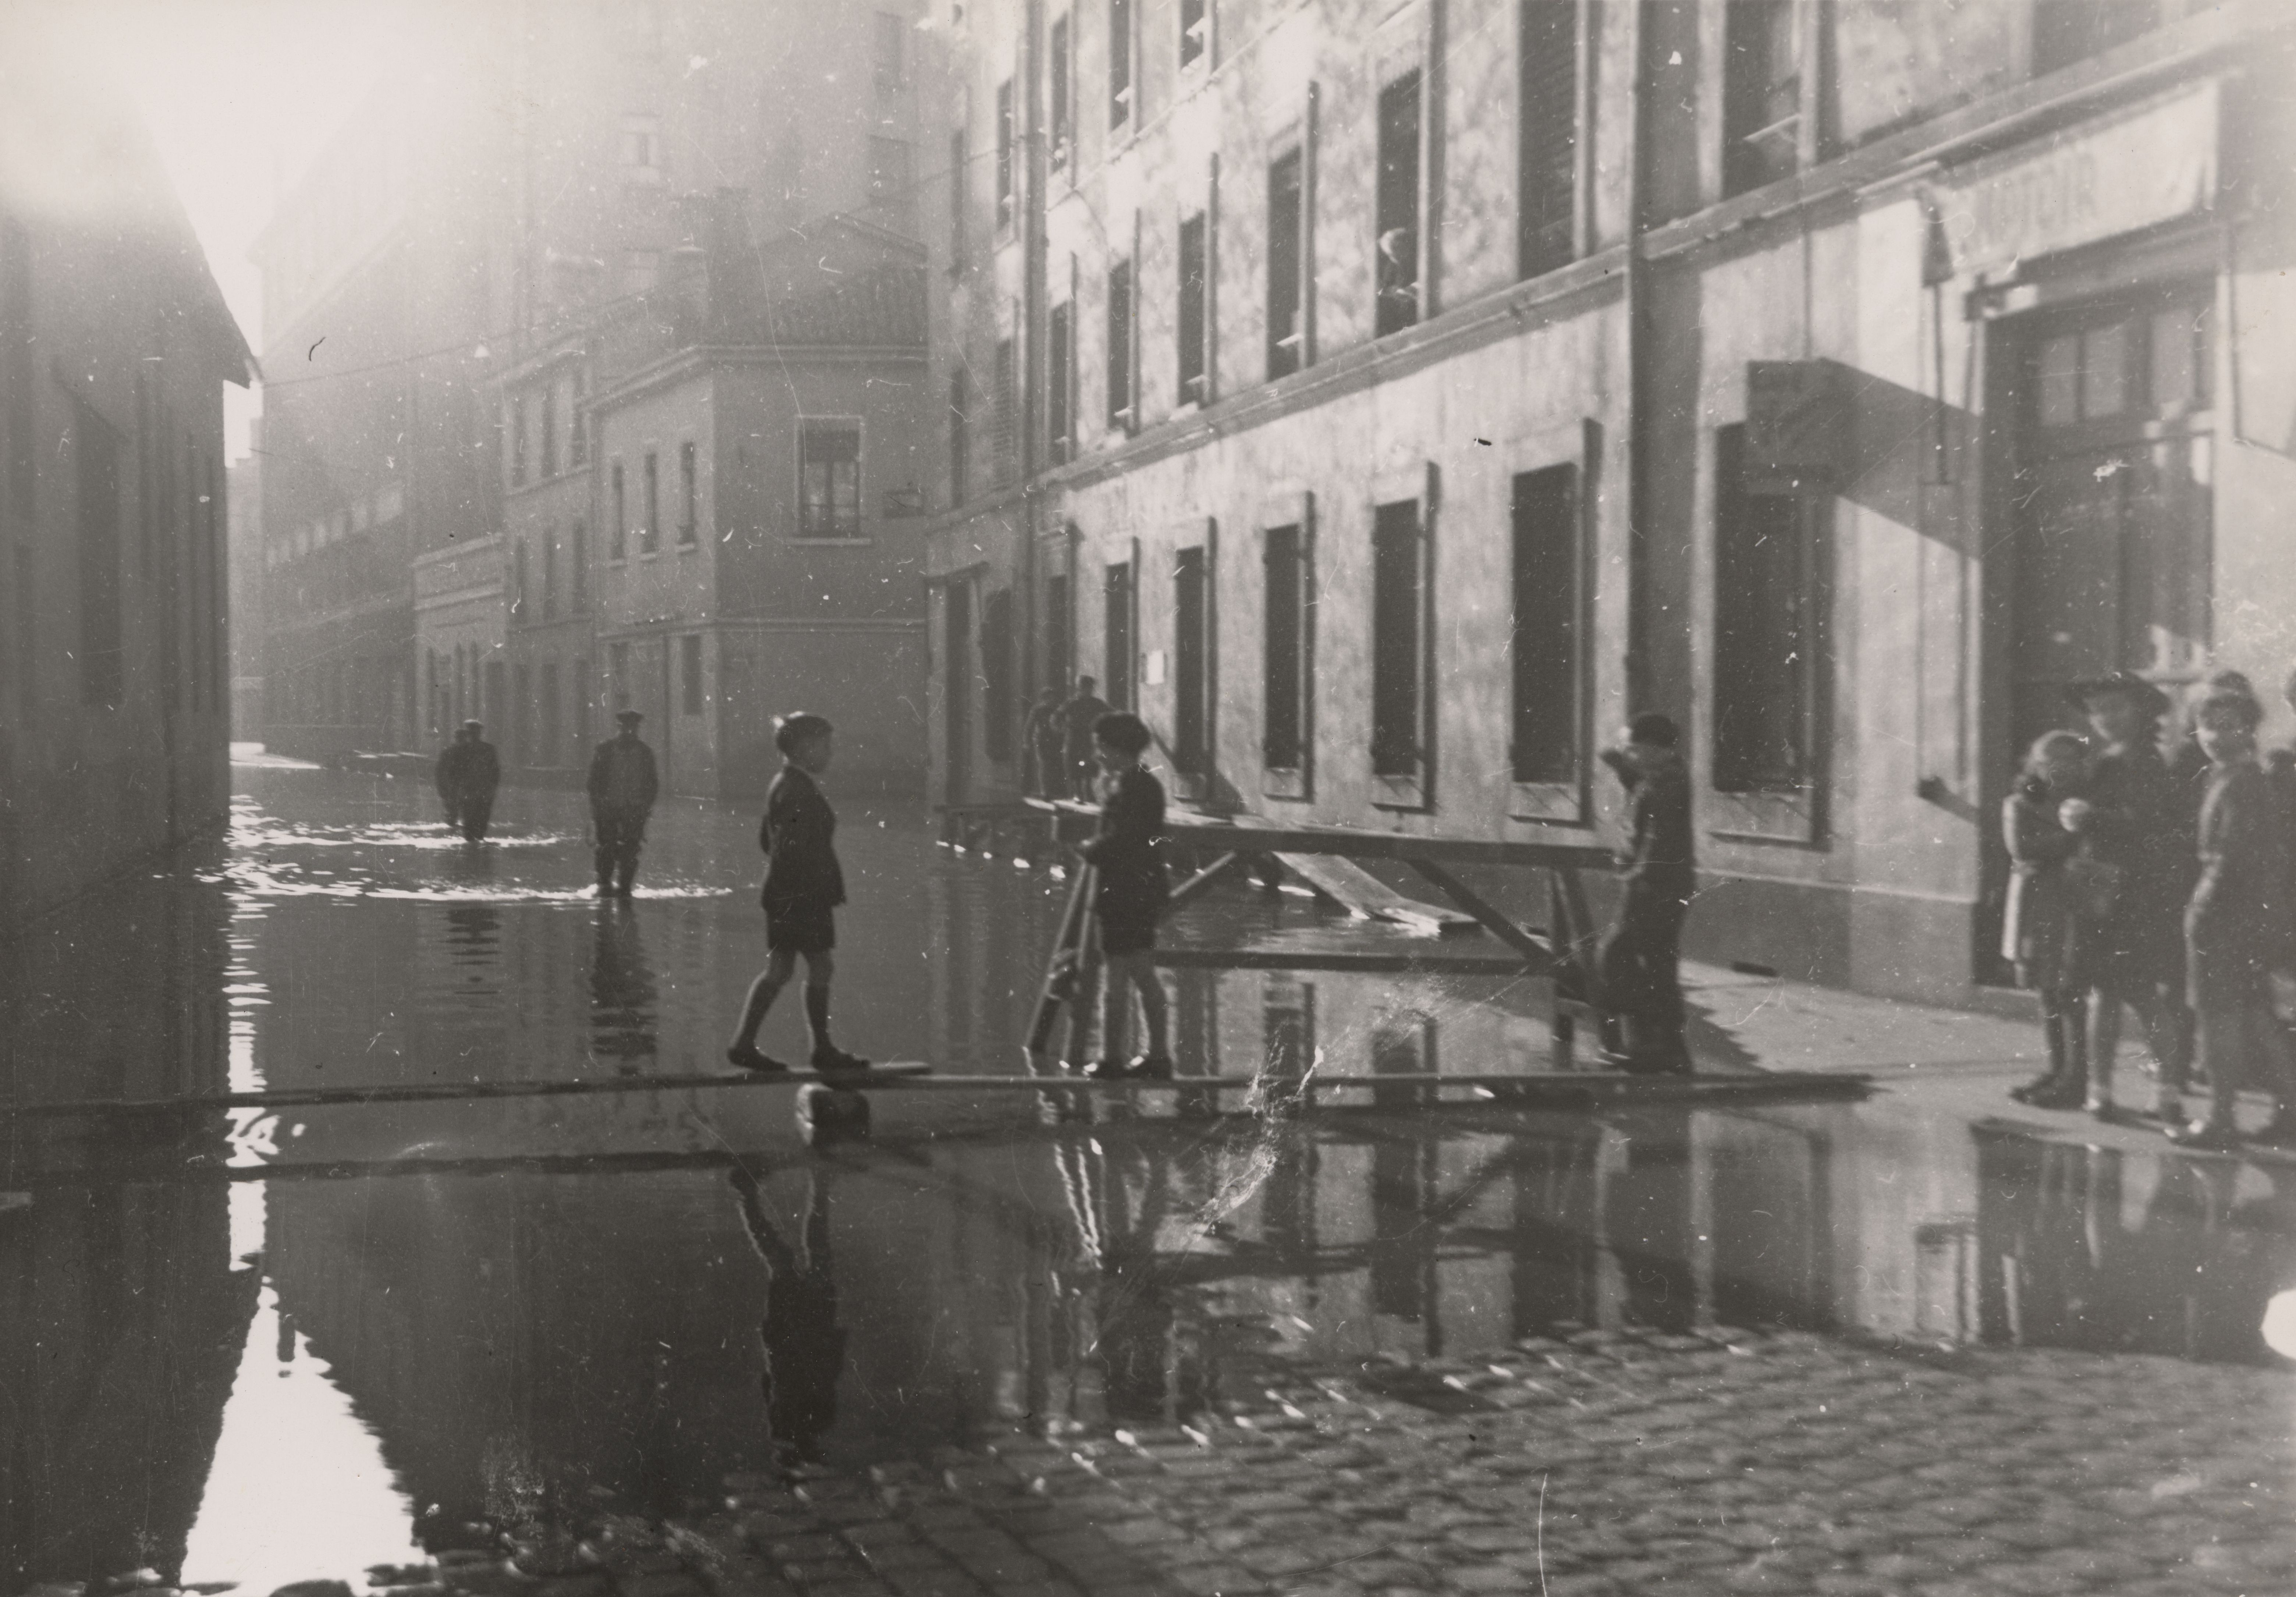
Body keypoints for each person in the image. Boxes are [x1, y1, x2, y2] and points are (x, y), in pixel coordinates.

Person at [2054, 672, 2190, 1120]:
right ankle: (2100, 1090)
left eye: (2115, 707)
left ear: (2139, 711)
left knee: (2141, 993)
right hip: (2099, 891)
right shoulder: (2106, 760)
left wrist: (2092, 816)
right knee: (2103, 992)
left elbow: (2147, 826)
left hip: (2134, 893)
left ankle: (2168, 1091)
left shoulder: (2145, 763)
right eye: (2097, 711)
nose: (2105, 718)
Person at [2170, 687, 2296, 1149]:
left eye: (2230, 725)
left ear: (2250, 728)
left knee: (2218, 1016)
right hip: (2244, 913)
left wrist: (2201, 911)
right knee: (2255, 1014)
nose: (2217, 736)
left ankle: (2222, 1118)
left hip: (2223, 914)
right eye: (2208, 726)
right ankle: (2289, 1109)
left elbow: (2230, 858)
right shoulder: (2228, 776)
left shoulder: (2241, 782)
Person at [727, 713, 869, 1073]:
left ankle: (746, 1044)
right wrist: (810, 886)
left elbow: (766, 841)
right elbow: (788, 848)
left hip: (786, 894)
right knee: (817, 966)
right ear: (805, 748)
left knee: (782, 969)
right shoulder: (797, 790)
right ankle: (820, 1050)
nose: (830, 755)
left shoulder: (784, 784)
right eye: (825, 747)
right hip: (801, 896)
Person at [1597, 713, 1695, 1075]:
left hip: (1654, 886)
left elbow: (1658, 839)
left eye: (1635, 749)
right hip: (1661, 885)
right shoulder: (1660, 774)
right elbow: (1637, 784)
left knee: (1615, 954)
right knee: (1657, 964)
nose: (1629, 754)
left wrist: (1635, 877)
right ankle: (1663, 1048)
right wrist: (1623, 761)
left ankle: (1654, 1043)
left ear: (1655, 750)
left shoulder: (1666, 783)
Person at [729, 1165, 846, 1467]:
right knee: (786, 1260)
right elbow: (769, 1382)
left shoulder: (819, 1419)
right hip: (786, 1337)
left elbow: (829, 1370)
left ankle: (815, 1184)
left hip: (806, 1333)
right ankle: (749, 1193)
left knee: (804, 1257)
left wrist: (836, 1339)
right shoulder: (787, 1423)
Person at [1079, 710, 1171, 1079]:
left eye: (1102, 747)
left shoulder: (1130, 787)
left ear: (1118, 748)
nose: (1099, 754)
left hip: (1124, 889)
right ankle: (1156, 1056)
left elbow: (1124, 839)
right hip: (1143, 887)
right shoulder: (1142, 783)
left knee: (1119, 973)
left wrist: (1088, 848)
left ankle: (1113, 1058)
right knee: (1141, 971)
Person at [2002, 731, 2091, 1106]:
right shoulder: (2019, 804)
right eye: (2049, 760)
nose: (2059, 768)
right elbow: (2022, 848)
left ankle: (2075, 1078)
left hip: (2073, 903)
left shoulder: (2086, 801)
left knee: (2070, 991)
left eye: (2069, 760)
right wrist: (2075, 838)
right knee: (2047, 990)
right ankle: (2057, 1070)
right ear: (2034, 765)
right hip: (2038, 905)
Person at [586, 709, 659, 898]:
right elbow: (593, 781)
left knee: (631, 850)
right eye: (626, 728)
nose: (630, 733)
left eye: (633, 729)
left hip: (634, 810)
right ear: (619, 728)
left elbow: (653, 784)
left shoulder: (645, 753)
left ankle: (625, 888)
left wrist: (645, 806)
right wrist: (597, 805)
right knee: (606, 848)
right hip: (608, 808)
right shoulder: (605, 750)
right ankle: (604, 885)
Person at [434, 720, 501, 843]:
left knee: (482, 825)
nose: (474, 734)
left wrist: (492, 789)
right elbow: (452, 772)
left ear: (480, 733)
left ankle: (478, 853)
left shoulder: (489, 749)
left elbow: (495, 771)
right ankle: (471, 854)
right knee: (469, 828)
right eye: (472, 732)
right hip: (468, 793)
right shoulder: (460, 750)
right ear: (469, 733)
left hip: (484, 793)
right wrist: (455, 790)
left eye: (476, 732)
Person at [1060, 675, 1112, 802]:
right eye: (1086, 688)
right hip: (1074, 739)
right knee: (1074, 765)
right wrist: (1063, 728)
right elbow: (1057, 717)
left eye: (1091, 688)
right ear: (1080, 688)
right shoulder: (1072, 703)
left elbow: (1110, 712)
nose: (1089, 691)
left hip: (1089, 740)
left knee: (1089, 765)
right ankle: (1078, 793)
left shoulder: (1097, 703)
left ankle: (1088, 791)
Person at [1026, 684, 1066, 799]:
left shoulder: (1058, 710)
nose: (1051, 700)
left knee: (1057, 765)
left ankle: (1057, 791)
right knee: (1045, 766)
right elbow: (1030, 726)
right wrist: (1027, 742)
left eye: (1053, 697)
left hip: (1056, 741)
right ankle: (1046, 792)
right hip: (1042, 741)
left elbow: (1063, 724)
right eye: (1049, 698)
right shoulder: (1038, 710)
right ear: (1043, 699)